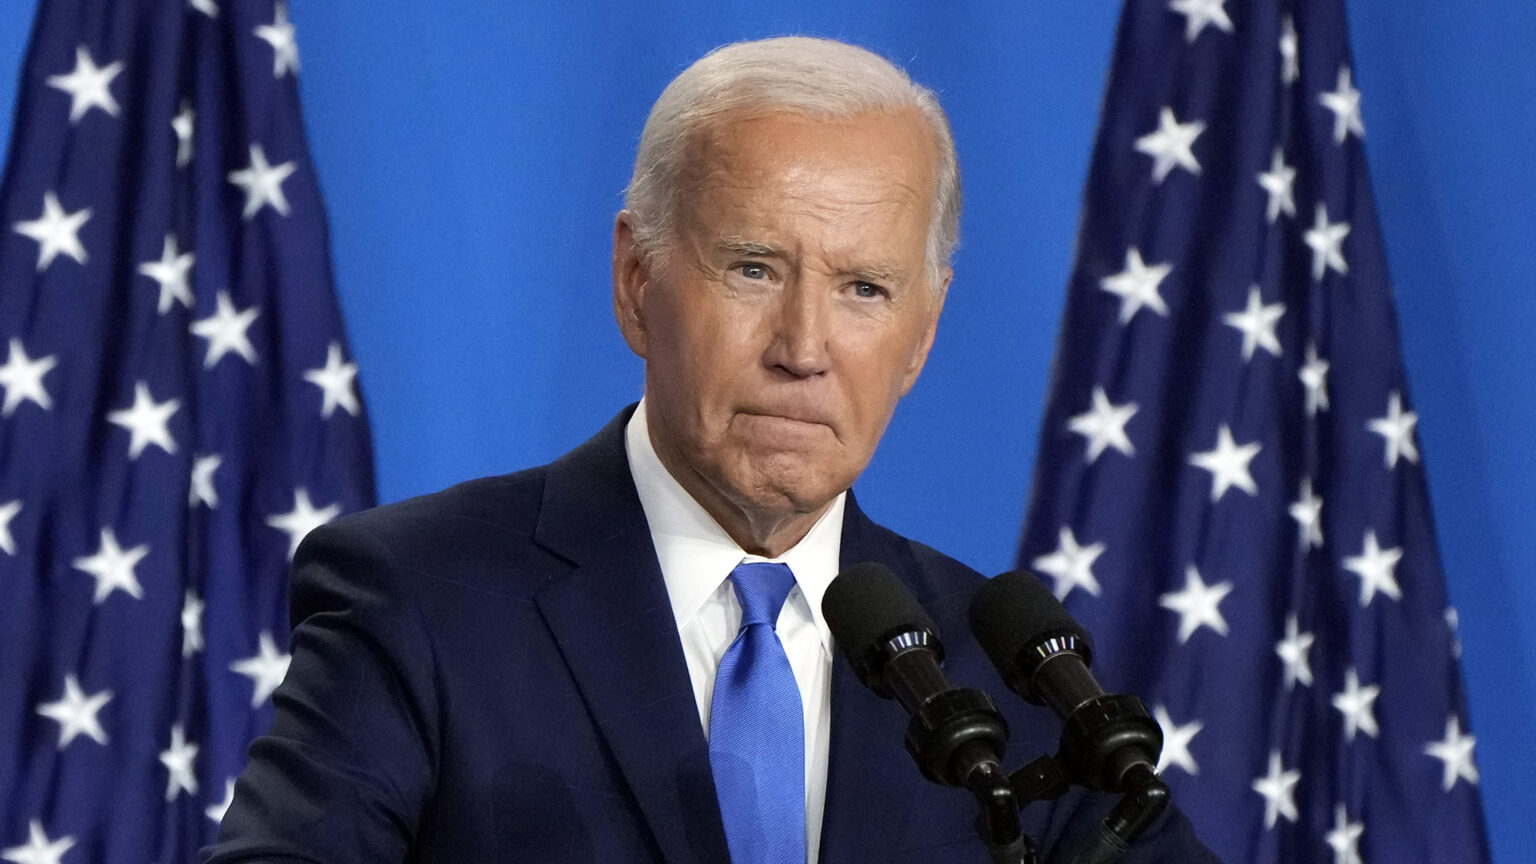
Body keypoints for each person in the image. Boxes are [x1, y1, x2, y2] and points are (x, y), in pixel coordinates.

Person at [205, 36, 1218, 864]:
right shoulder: (421, 599)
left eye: (864, 288)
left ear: (924, 333)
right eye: (752, 267)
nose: (804, 348)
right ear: (638, 282)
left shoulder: (1006, 679)